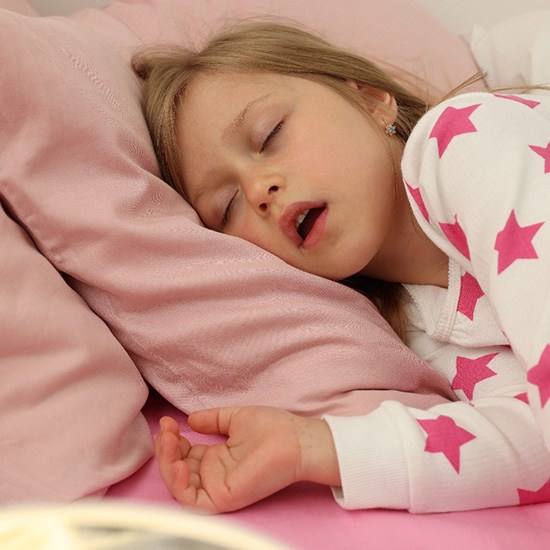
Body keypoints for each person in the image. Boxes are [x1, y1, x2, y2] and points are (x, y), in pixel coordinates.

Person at [134, 22, 550, 514]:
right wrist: (311, 447)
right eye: (226, 208)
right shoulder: (417, 327)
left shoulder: (468, 138)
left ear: (374, 102)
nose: (257, 190)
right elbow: (535, 444)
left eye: (270, 135)